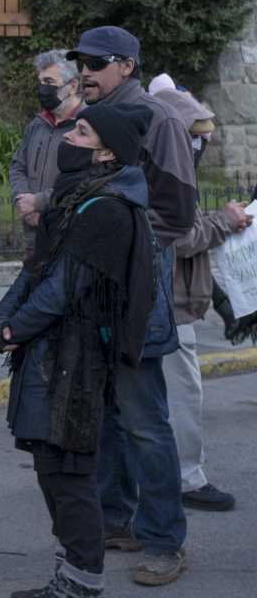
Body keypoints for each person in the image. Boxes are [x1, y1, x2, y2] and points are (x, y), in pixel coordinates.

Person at [0, 103, 155, 598]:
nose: (70, 138)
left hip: (74, 360)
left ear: (106, 150)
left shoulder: (106, 209)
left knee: (69, 472)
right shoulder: (76, 198)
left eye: (81, 132)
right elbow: (38, 265)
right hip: (53, 351)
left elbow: (65, 285)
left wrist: (13, 329)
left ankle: (82, 583)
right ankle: (68, 575)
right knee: (52, 466)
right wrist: (5, 320)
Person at [70, 26, 196, 586]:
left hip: (140, 280)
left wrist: (126, 238)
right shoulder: (90, 114)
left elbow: (178, 212)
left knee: (144, 415)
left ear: (126, 65)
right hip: (95, 281)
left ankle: (165, 540)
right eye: (81, 62)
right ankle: (117, 520)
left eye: (95, 63)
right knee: (107, 412)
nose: (84, 72)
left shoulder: (159, 117)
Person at [152, 85, 244, 512]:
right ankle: (188, 479)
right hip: (168, 306)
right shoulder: (167, 169)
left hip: (164, 303)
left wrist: (221, 220)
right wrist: (224, 221)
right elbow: (183, 236)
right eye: (196, 138)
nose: (201, 146)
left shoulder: (158, 162)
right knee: (182, 394)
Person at [10, 50, 82, 263]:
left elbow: (83, 180)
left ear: (73, 86)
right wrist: (24, 201)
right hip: (33, 235)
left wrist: (39, 203)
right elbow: (17, 166)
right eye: (40, 81)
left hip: (67, 236)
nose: (43, 88)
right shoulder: (37, 124)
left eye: (49, 81)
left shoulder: (86, 125)